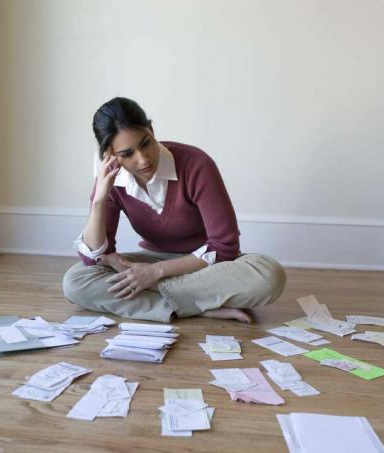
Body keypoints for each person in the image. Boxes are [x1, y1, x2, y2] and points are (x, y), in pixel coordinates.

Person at [62, 97, 286, 323]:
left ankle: (167, 303)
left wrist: (155, 273)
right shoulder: (111, 180)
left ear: (151, 129)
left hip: (205, 265)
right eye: (127, 154)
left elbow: (225, 247)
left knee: (268, 275)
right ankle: (198, 306)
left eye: (145, 143)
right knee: (76, 281)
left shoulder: (196, 163)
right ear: (110, 155)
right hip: (151, 259)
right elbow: (95, 258)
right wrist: (100, 198)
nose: (142, 159)